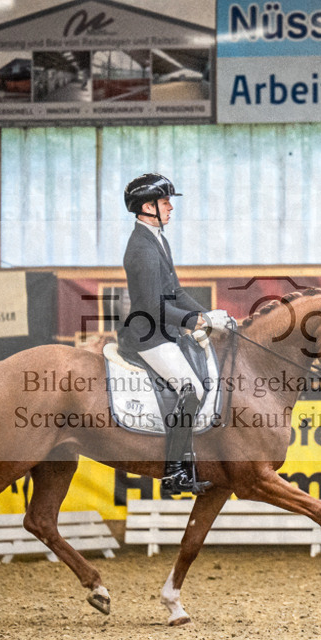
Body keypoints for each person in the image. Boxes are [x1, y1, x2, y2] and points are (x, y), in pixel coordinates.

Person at [119, 172, 230, 495]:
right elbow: (151, 305)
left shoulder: (157, 239)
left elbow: (175, 292)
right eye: (165, 201)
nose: (171, 207)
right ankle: (174, 470)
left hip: (164, 329)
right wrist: (192, 322)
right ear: (147, 207)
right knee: (191, 389)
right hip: (148, 334)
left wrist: (205, 316)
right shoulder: (141, 247)